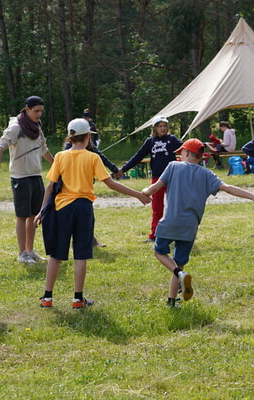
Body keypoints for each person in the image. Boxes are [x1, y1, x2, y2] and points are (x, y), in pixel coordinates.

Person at [34, 118, 151, 309]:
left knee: (56, 255)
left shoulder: (60, 156)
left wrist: (41, 211)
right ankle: (78, 299)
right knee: (81, 254)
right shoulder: (93, 157)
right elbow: (111, 183)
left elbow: (50, 187)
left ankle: (47, 298)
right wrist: (138, 194)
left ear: (70, 137)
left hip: (61, 208)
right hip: (83, 208)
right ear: (88, 137)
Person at [141, 138, 254, 307]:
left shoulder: (173, 166)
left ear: (187, 153)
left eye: (181, 152)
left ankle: (179, 275)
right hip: (190, 226)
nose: (180, 155)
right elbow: (227, 188)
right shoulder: (207, 174)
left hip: (170, 222)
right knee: (179, 261)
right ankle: (171, 301)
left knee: (159, 252)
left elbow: (155, 188)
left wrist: (144, 192)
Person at [0, 95, 54, 264]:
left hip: (36, 175)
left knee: (34, 215)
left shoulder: (37, 126)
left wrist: (58, 165)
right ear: (27, 109)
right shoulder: (15, 127)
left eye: (41, 111)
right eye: (36, 111)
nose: (39, 114)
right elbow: (0, 145)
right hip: (20, 177)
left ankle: (30, 250)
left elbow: (44, 149)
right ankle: (22, 254)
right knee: (22, 215)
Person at [118, 116, 182, 242]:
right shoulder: (150, 141)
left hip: (173, 176)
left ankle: (176, 234)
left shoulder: (172, 139)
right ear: (155, 128)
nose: (163, 128)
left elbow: (187, 148)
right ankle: (155, 235)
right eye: (160, 126)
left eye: (165, 126)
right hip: (158, 179)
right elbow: (138, 156)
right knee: (157, 207)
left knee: (175, 206)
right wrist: (123, 170)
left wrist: (204, 145)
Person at [64, 135, 124, 247]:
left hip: (85, 189)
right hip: (71, 190)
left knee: (88, 218)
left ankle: (89, 239)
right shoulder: (67, 150)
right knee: (76, 218)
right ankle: (80, 240)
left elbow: (101, 157)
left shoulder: (90, 147)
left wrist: (115, 169)